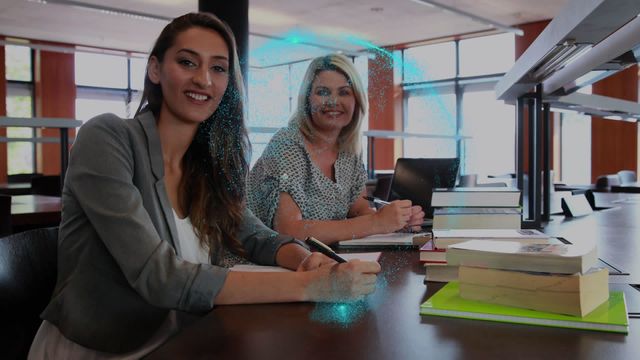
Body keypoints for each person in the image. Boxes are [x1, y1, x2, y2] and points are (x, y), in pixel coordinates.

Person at [28, 13, 380, 358]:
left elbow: (257, 237)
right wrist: (311, 286)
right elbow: (160, 277)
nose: (204, 80)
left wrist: (305, 260)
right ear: (155, 69)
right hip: (107, 349)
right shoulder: (107, 138)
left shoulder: (206, 164)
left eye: (218, 68)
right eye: (187, 62)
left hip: (186, 339)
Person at [248, 54, 424, 245]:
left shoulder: (349, 151)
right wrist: (376, 222)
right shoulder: (287, 145)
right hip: (256, 263)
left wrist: (396, 220)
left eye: (344, 92)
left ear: (356, 100)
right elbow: (290, 230)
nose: (333, 101)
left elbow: (359, 211)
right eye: (323, 92)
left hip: (317, 260)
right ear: (307, 99)